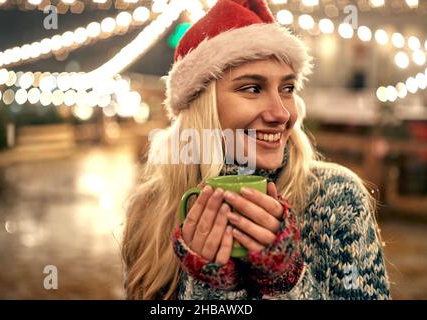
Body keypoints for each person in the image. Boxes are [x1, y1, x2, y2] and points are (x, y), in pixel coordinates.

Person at [122, 0, 391, 300]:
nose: (282, 113)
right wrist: (212, 287)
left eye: (287, 89)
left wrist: (284, 281)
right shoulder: (149, 210)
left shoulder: (337, 197)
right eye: (252, 88)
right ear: (201, 106)